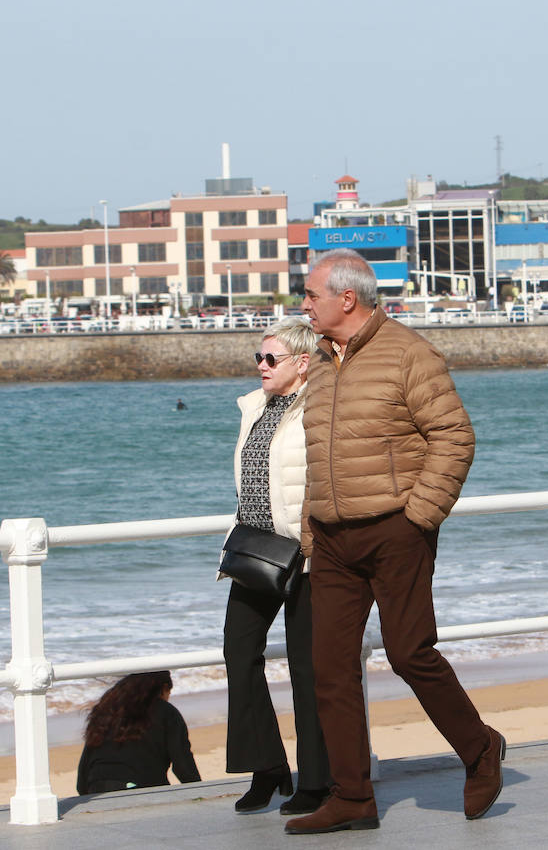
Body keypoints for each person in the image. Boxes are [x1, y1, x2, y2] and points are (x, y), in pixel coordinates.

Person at [285, 249, 505, 835]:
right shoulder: (321, 363)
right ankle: (352, 798)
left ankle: (481, 749)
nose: (303, 305)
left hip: (395, 531)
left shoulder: (408, 353)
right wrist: (312, 531)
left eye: (310, 295)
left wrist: (419, 517)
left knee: (410, 653)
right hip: (332, 540)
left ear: (346, 299)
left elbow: (454, 436)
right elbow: (319, 455)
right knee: (327, 668)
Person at [222, 317, 331, 815]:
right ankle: (267, 768)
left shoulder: (320, 406)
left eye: (271, 359)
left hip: (306, 556)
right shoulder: (253, 407)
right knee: (238, 651)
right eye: (258, 358)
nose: (261, 367)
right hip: (255, 551)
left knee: (308, 667)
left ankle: (317, 780)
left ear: (302, 363)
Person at [75, 670, 201, 796]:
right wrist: (201, 794)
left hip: (97, 789)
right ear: (164, 688)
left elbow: (83, 777)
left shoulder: (107, 710)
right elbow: (184, 767)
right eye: (169, 693)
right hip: (141, 789)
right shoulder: (166, 712)